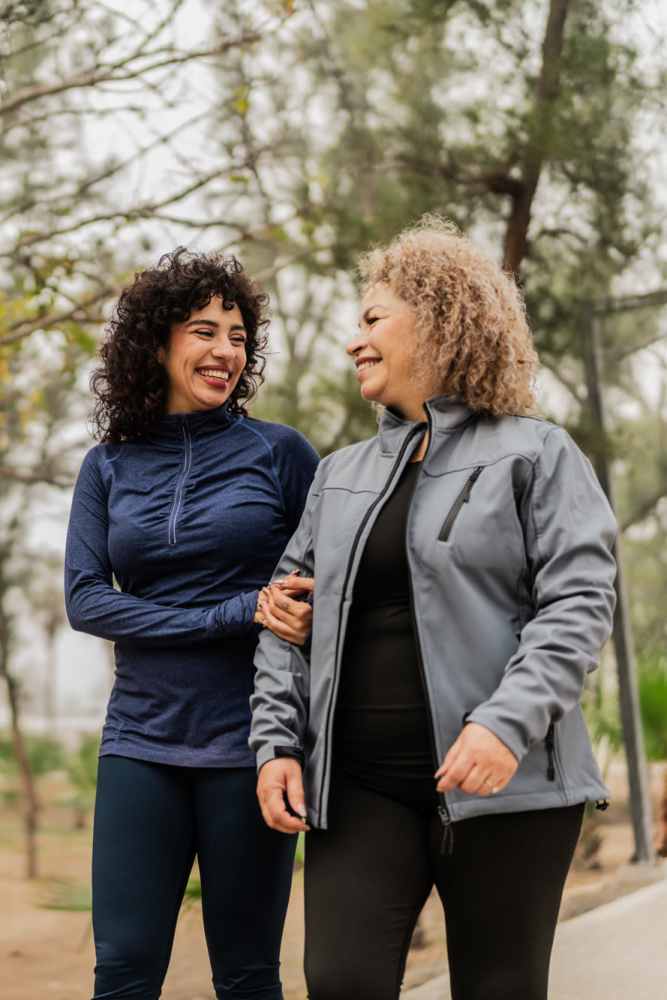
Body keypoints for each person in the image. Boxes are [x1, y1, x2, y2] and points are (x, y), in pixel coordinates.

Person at [249, 217, 618, 1000]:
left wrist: (500, 725)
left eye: (373, 319)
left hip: (504, 787)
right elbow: (283, 616)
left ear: (439, 320)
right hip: (360, 787)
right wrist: (276, 742)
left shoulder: (535, 453)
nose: (355, 340)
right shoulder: (337, 475)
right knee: (341, 981)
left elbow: (578, 603)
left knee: (498, 988)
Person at [64, 248, 319, 1000]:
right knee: (123, 969)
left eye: (238, 336)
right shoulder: (107, 465)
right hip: (139, 739)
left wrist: (283, 622)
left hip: (250, 743)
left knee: (245, 975)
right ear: (156, 342)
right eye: (204, 331)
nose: (224, 352)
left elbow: (315, 588)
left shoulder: (279, 454)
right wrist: (232, 612)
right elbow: (86, 600)